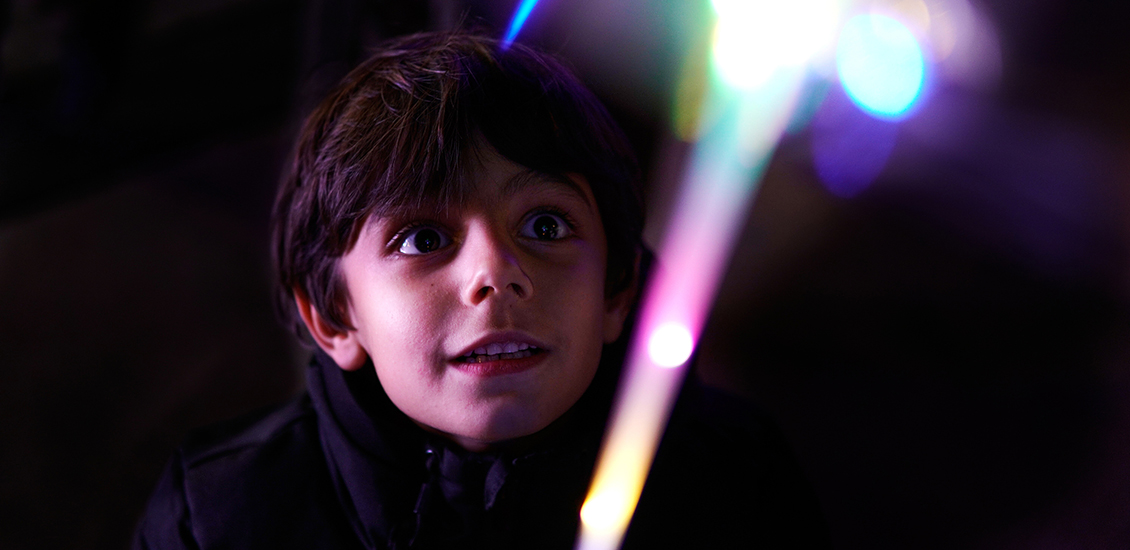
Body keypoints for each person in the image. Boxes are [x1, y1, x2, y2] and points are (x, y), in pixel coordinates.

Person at [133, 30, 830, 550]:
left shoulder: (736, 477)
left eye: (546, 224)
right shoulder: (219, 515)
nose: (496, 273)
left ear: (616, 292)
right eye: (423, 240)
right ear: (335, 317)